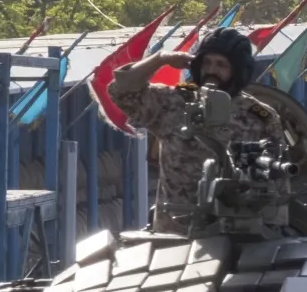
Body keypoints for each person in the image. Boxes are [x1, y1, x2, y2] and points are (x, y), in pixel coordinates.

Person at [108, 27, 289, 234]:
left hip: (237, 235)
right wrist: (160, 58)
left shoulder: (259, 117)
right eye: (207, 62)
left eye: (221, 65)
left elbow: (278, 182)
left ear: (237, 70)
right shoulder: (173, 102)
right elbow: (121, 90)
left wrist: (274, 231)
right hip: (174, 235)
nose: (212, 70)